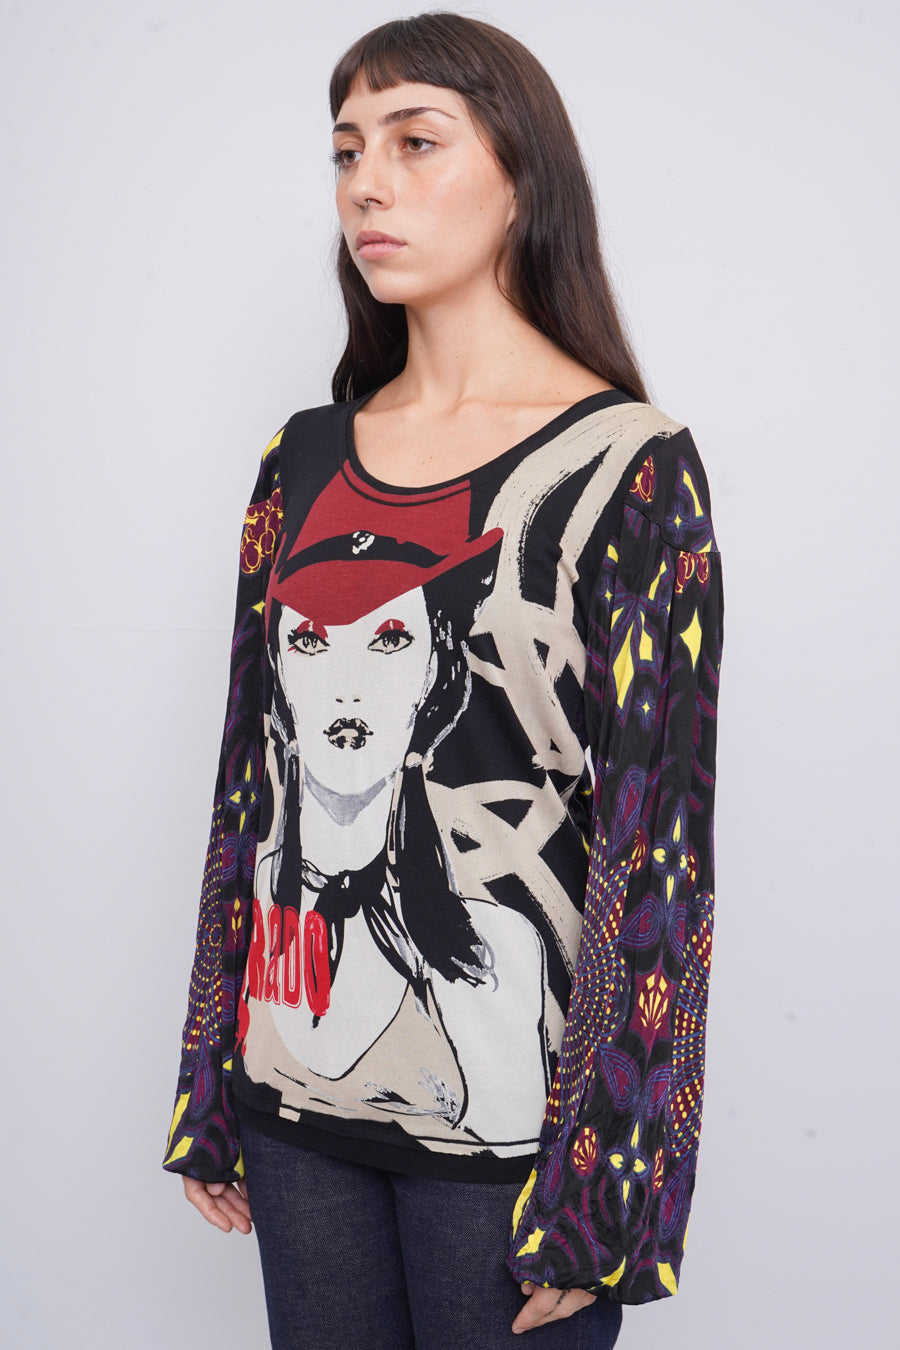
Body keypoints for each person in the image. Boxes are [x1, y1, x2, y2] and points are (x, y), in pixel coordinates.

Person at [162, 12, 724, 1349]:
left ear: (523, 175)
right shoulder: (302, 458)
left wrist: (612, 1192)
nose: (367, 183)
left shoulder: (630, 468)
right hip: (293, 1103)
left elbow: (660, 847)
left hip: (516, 1129)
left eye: (416, 142)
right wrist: (207, 1083)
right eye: (347, 149)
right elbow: (249, 782)